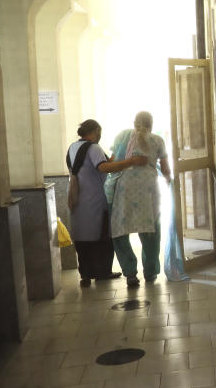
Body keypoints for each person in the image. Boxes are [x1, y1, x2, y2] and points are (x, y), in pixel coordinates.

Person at [66, 119, 146, 287]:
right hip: (94, 201)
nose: (99, 135)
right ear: (95, 130)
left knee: (82, 239)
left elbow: (98, 164)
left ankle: (86, 275)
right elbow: (103, 168)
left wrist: (114, 159)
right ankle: (102, 272)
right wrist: (131, 162)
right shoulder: (93, 147)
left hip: (78, 200)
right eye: (98, 132)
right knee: (101, 237)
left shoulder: (73, 147)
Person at [108, 111, 171, 288]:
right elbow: (165, 169)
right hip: (149, 188)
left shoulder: (122, 137)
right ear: (151, 124)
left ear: (134, 122)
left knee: (120, 231)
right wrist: (169, 182)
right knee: (151, 229)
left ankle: (130, 274)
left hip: (124, 188)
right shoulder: (158, 140)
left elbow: (113, 162)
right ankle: (150, 272)